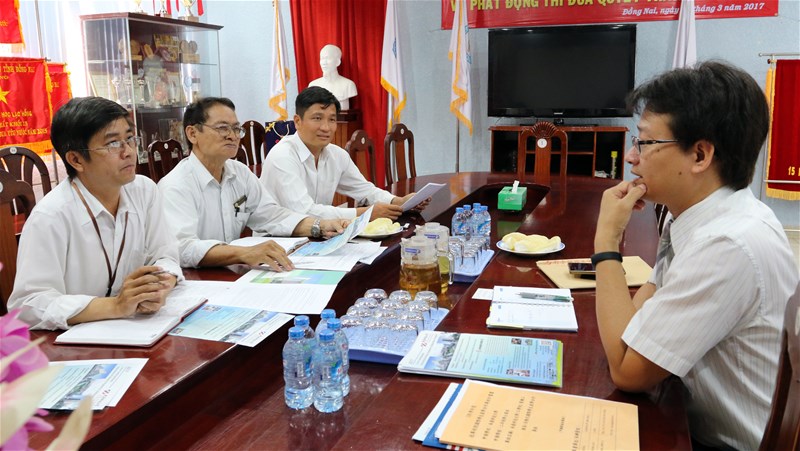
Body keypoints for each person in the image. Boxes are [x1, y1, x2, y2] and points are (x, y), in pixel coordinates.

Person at [592, 61, 799, 450]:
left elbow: (626, 370)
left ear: (700, 155)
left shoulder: (726, 244)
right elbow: (637, 322)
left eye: (645, 143)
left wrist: (606, 239)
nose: (632, 157)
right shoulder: (699, 213)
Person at [8, 97, 182, 330]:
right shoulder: (50, 217)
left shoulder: (144, 190)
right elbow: (27, 305)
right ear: (76, 160)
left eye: (130, 138)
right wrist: (115, 306)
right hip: (77, 341)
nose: (129, 152)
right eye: (113, 143)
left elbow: (165, 255)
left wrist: (159, 287)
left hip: (140, 328)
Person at [158, 97, 347, 270]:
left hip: (230, 274)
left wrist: (319, 225)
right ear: (192, 134)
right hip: (194, 280)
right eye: (222, 128)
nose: (232, 136)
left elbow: (271, 216)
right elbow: (182, 248)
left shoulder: (239, 173)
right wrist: (243, 253)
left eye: (236, 129)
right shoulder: (176, 186)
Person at [260, 86, 427, 221]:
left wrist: (398, 202)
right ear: (297, 121)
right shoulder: (282, 156)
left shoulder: (336, 155)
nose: (326, 127)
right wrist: (365, 213)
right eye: (317, 118)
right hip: (275, 243)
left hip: (317, 236)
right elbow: (304, 213)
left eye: (332, 119)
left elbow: (365, 191)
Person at [308, 44, 358, 110]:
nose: (324, 63)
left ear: (338, 62)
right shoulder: (313, 85)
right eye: (322, 59)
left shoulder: (348, 85)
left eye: (327, 58)